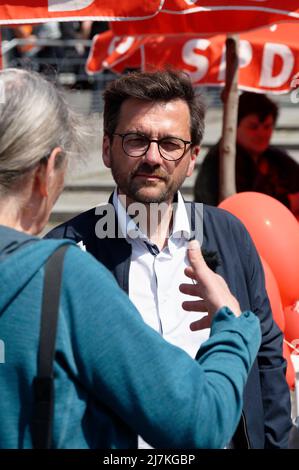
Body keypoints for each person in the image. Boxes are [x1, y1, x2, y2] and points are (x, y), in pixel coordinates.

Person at [0, 68, 262, 449]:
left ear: (192, 157)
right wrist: (234, 326)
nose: (153, 157)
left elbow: (268, 367)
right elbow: (197, 423)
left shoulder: (229, 235)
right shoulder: (65, 260)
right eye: (136, 140)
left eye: (170, 143)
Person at [194, 91, 299, 210]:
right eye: (253, 127)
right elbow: (243, 206)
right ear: (234, 126)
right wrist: (288, 202)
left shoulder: (277, 159)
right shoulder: (219, 161)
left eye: (267, 126)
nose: (262, 134)